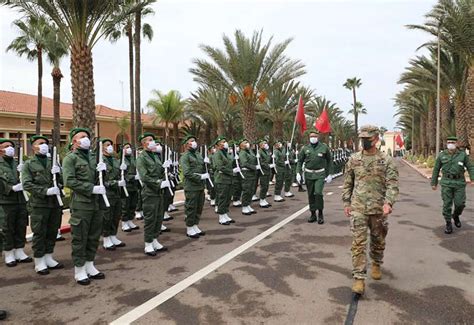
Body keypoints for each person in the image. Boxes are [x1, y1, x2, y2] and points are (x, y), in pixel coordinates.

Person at [342, 125, 399, 295]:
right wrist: (346, 202)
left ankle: (376, 262)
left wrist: (388, 203)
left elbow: (392, 184)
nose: (364, 142)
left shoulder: (386, 160)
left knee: (378, 240)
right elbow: (348, 182)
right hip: (358, 207)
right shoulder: (354, 159)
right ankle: (359, 278)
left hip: (378, 208)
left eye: (367, 139)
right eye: (362, 139)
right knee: (358, 243)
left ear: (376, 139)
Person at [62, 128, 106, 285]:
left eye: (87, 136)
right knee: (80, 237)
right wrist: (91, 188)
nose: (86, 139)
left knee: (93, 236)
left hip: (96, 203)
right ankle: (79, 269)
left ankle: (90, 264)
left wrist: (103, 171)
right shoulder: (70, 159)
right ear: (74, 141)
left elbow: (100, 179)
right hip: (81, 204)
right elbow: (69, 181)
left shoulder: (94, 157)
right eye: (82, 137)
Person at [22, 135, 64, 275]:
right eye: (40, 143)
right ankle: (39, 260)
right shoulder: (29, 164)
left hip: (54, 204)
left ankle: (48, 256)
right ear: (33, 146)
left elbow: (63, 181)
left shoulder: (53, 162)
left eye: (46, 143)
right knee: (40, 232)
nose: (44, 145)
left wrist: (59, 174)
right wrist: (45, 191)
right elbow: (27, 184)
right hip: (39, 204)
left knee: (52, 230)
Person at [431, 136, 474, 234]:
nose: (451, 144)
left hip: (459, 183)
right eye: (449, 142)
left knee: (460, 204)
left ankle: (455, 215)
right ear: (446, 143)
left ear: (457, 144)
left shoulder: (463, 155)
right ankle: (448, 223)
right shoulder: (442, 156)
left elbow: (470, 167)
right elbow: (436, 169)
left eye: (453, 142)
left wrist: (472, 179)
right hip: (446, 182)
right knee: (447, 204)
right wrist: (434, 183)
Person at [136, 133, 169, 255]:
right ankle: (148, 243)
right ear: (144, 143)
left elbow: (159, 172)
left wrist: (166, 171)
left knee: (158, 217)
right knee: (150, 219)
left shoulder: (155, 156)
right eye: (150, 140)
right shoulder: (141, 158)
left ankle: (155, 240)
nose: (153, 141)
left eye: (153, 139)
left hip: (159, 192)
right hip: (150, 192)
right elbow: (144, 177)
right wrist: (158, 183)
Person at [0, 138, 31, 267]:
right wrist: (10, 188)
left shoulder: (17, 163)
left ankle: (19, 250)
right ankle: (8, 252)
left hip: (20, 200)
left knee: (21, 225)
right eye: (6, 146)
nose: (10, 148)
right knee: (7, 227)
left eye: (11, 146)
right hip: (6, 202)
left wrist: (24, 172)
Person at [296, 130, 333, 223]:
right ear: (309, 138)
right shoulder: (305, 148)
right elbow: (300, 161)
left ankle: (320, 213)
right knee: (311, 194)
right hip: (308, 174)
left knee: (318, 193)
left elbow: (329, 160)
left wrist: (330, 174)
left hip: (320, 174)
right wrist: (298, 172)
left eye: (315, 136)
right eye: (311, 136)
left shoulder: (324, 147)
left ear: (318, 137)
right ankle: (313, 214)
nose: (313, 138)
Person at [100, 138, 126, 250]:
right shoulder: (100, 161)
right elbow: (101, 180)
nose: (110, 146)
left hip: (116, 193)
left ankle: (113, 235)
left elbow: (119, 175)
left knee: (116, 215)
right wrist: (115, 183)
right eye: (107, 145)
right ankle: (106, 238)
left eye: (110, 144)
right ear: (101, 147)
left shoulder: (115, 160)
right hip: (107, 193)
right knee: (107, 217)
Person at [180, 135, 208, 237]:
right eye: (191, 141)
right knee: (191, 207)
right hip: (191, 186)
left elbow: (202, 168)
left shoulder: (198, 155)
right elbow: (187, 172)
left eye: (194, 140)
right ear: (186, 144)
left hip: (200, 186)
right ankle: (189, 227)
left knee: (199, 207)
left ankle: (195, 225)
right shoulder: (185, 156)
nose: (194, 142)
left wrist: (207, 166)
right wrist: (200, 177)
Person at [212, 136, 236, 225]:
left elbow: (229, 163)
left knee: (228, 198)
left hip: (228, 179)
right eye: (223, 142)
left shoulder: (225, 153)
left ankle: (225, 214)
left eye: (225, 141)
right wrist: (231, 171)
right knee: (222, 198)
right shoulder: (218, 154)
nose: (225, 143)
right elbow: (220, 167)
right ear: (218, 145)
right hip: (221, 179)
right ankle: (221, 217)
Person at [120, 143, 140, 232]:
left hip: (134, 186)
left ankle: (130, 220)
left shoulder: (132, 159)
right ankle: (124, 222)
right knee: (125, 205)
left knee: (133, 204)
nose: (129, 149)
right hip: (126, 186)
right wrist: (132, 177)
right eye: (126, 147)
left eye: (129, 147)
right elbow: (122, 175)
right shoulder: (120, 160)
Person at [238, 139, 258, 215]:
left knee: (251, 190)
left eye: (247, 142)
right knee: (246, 190)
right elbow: (244, 163)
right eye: (245, 143)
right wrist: (254, 167)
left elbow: (253, 159)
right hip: (247, 173)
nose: (247, 144)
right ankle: (244, 206)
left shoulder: (249, 151)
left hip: (252, 173)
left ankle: (248, 205)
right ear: (241, 145)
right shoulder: (242, 153)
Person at [257, 140, 272, 208]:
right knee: (263, 186)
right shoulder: (259, 152)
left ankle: (264, 199)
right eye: (264, 143)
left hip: (267, 171)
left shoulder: (266, 151)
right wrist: (268, 166)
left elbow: (268, 159)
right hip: (263, 171)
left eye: (266, 143)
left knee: (266, 186)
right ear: (261, 145)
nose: (266, 144)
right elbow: (261, 162)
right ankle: (261, 200)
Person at [231, 141, 243, 207]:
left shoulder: (238, 154)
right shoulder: (231, 155)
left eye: (238, 146)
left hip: (239, 172)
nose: (237, 148)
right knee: (235, 187)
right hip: (234, 174)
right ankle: (235, 200)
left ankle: (238, 198)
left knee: (240, 187)